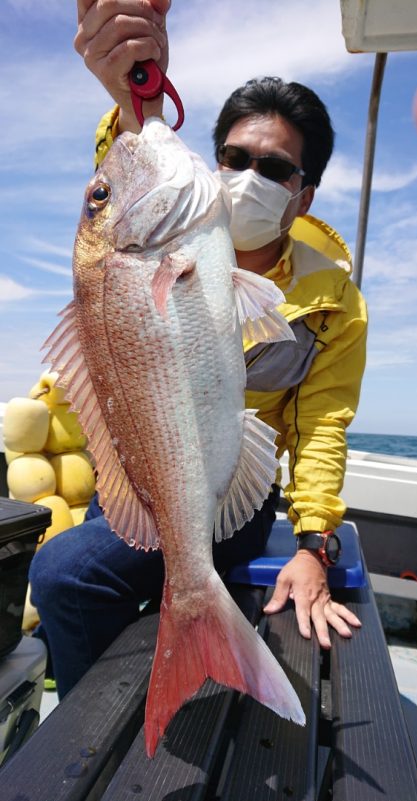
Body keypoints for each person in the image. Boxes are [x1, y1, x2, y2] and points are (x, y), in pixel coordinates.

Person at [30, 0, 367, 698]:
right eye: (235, 158)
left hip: (226, 491)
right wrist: (133, 94)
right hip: (142, 469)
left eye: (274, 168)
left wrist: (313, 545)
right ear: (213, 161)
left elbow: (321, 425)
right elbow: (124, 181)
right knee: (74, 571)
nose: (248, 175)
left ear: (303, 195)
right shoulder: (174, 230)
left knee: (65, 571)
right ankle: (108, 706)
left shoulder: (332, 298)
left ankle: (139, 694)